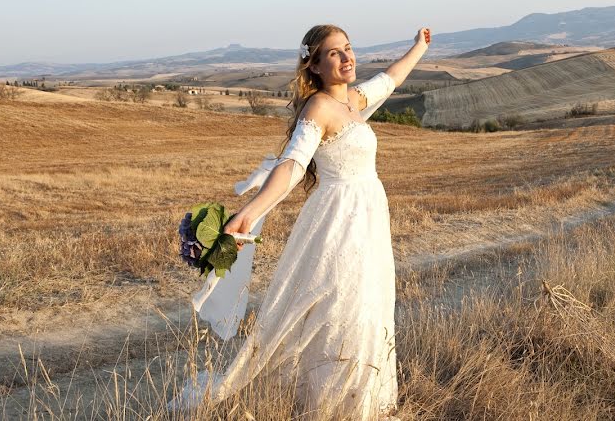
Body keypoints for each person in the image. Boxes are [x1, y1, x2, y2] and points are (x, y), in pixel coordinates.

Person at [168, 24, 431, 419]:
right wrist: (248, 213)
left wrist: (419, 48)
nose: (346, 58)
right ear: (315, 66)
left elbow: (390, 79)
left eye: (348, 49)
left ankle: (364, 402)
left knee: (369, 305)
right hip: (339, 220)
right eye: (334, 54)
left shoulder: (356, 101)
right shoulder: (319, 108)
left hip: (370, 218)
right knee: (343, 306)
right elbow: (292, 165)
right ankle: (330, 406)